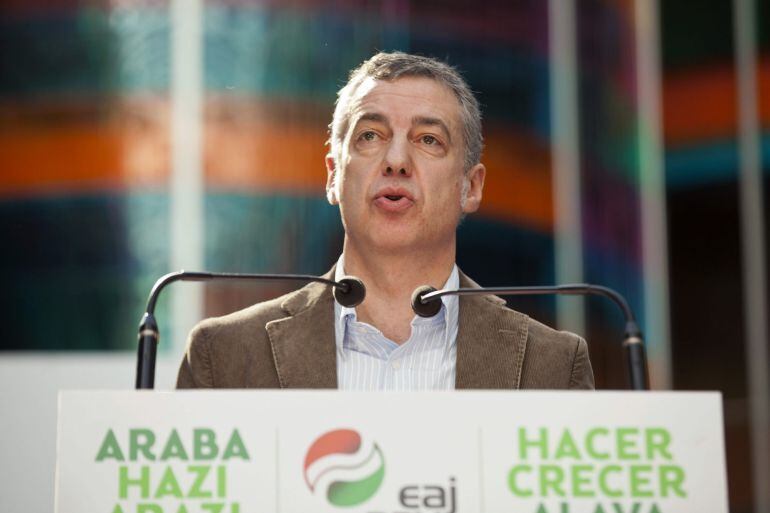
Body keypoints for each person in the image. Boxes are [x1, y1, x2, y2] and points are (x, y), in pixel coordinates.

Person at [177, 52, 594, 390]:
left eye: (428, 140)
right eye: (370, 136)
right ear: (333, 176)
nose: (396, 161)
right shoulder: (224, 355)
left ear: (471, 187)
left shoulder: (552, 366)